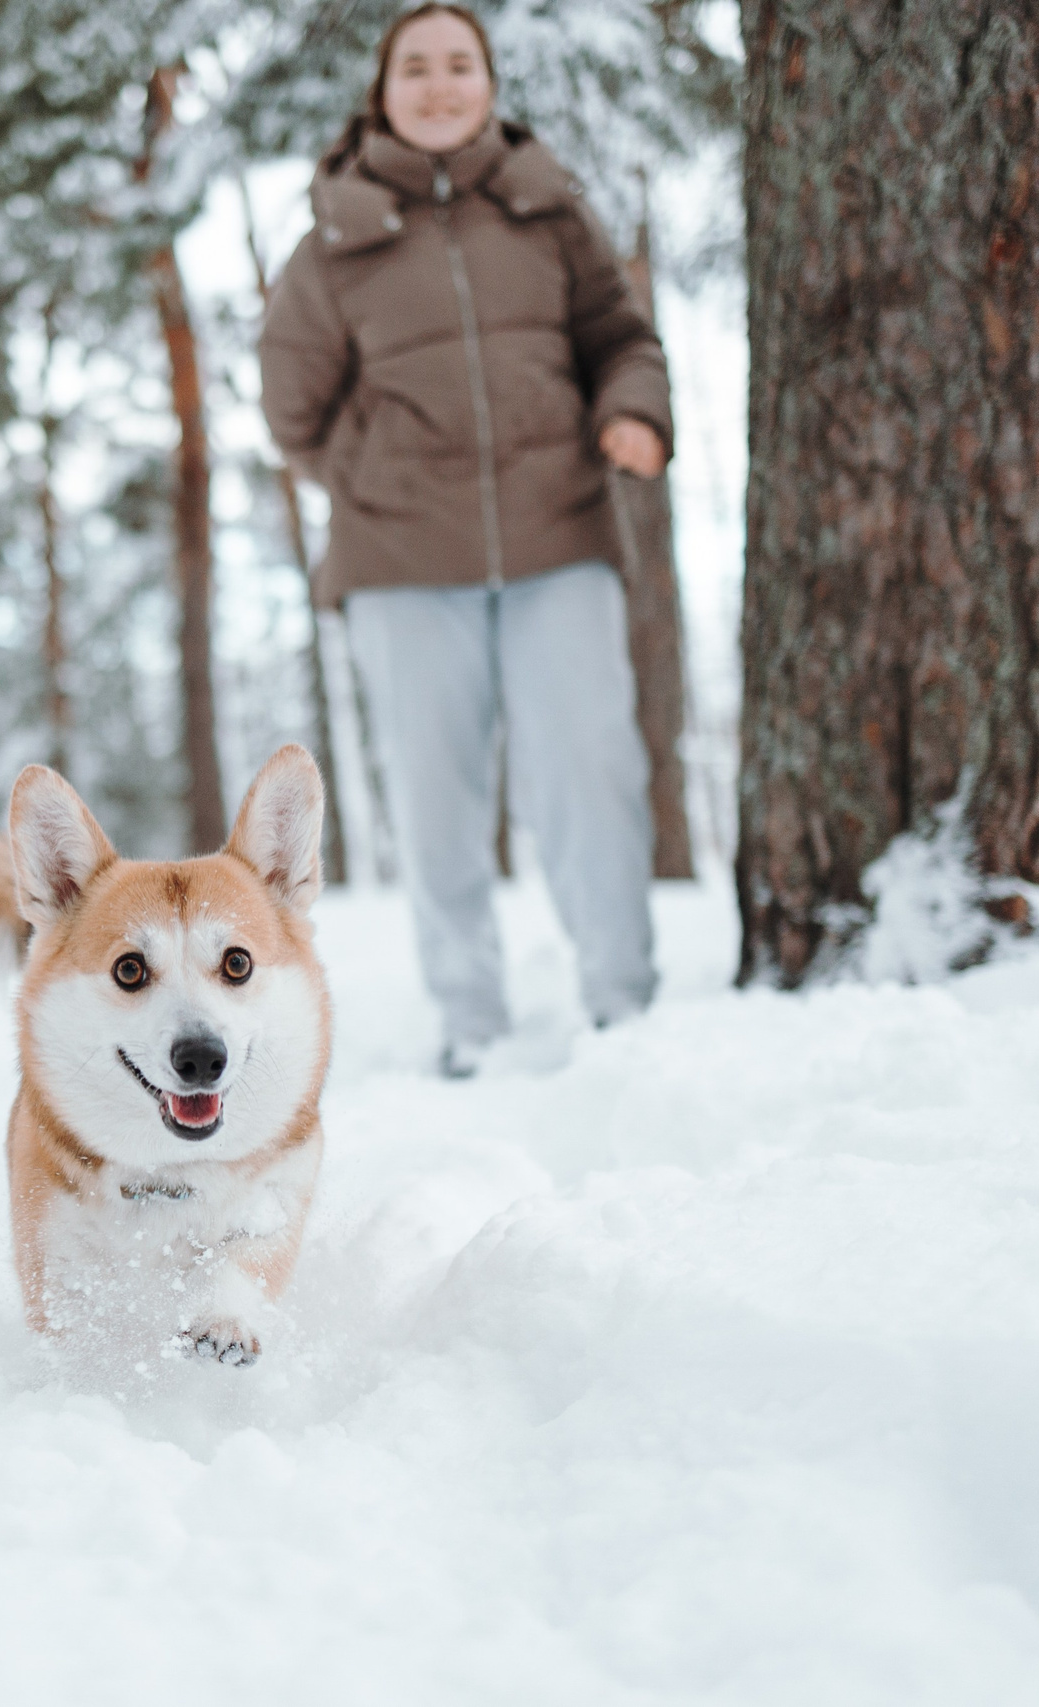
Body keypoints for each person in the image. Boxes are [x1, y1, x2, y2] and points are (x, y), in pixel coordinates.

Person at [258, 1, 672, 1077]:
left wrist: (633, 413)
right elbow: (292, 412)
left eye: (460, 65)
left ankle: (624, 1006)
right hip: (401, 564)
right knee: (434, 796)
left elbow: (621, 340)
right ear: (382, 93)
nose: (439, 86)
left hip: (559, 535)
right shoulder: (331, 241)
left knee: (591, 769)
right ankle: (469, 1025)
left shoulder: (549, 213)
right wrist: (375, 479)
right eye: (416, 69)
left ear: (489, 82)